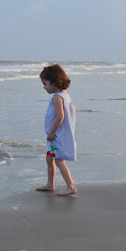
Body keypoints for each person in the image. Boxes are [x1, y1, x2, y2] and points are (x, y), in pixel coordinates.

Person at [36, 64, 77, 196]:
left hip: (56, 135)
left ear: (53, 82)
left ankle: (70, 186)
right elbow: (73, 109)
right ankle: (50, 184)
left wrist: (52, 132)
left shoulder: (57, 97)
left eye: (45, 84)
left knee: (59, 160)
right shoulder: (65, 95)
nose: (44, 87)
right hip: (57, 135)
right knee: (49, 159)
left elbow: (60, 116)